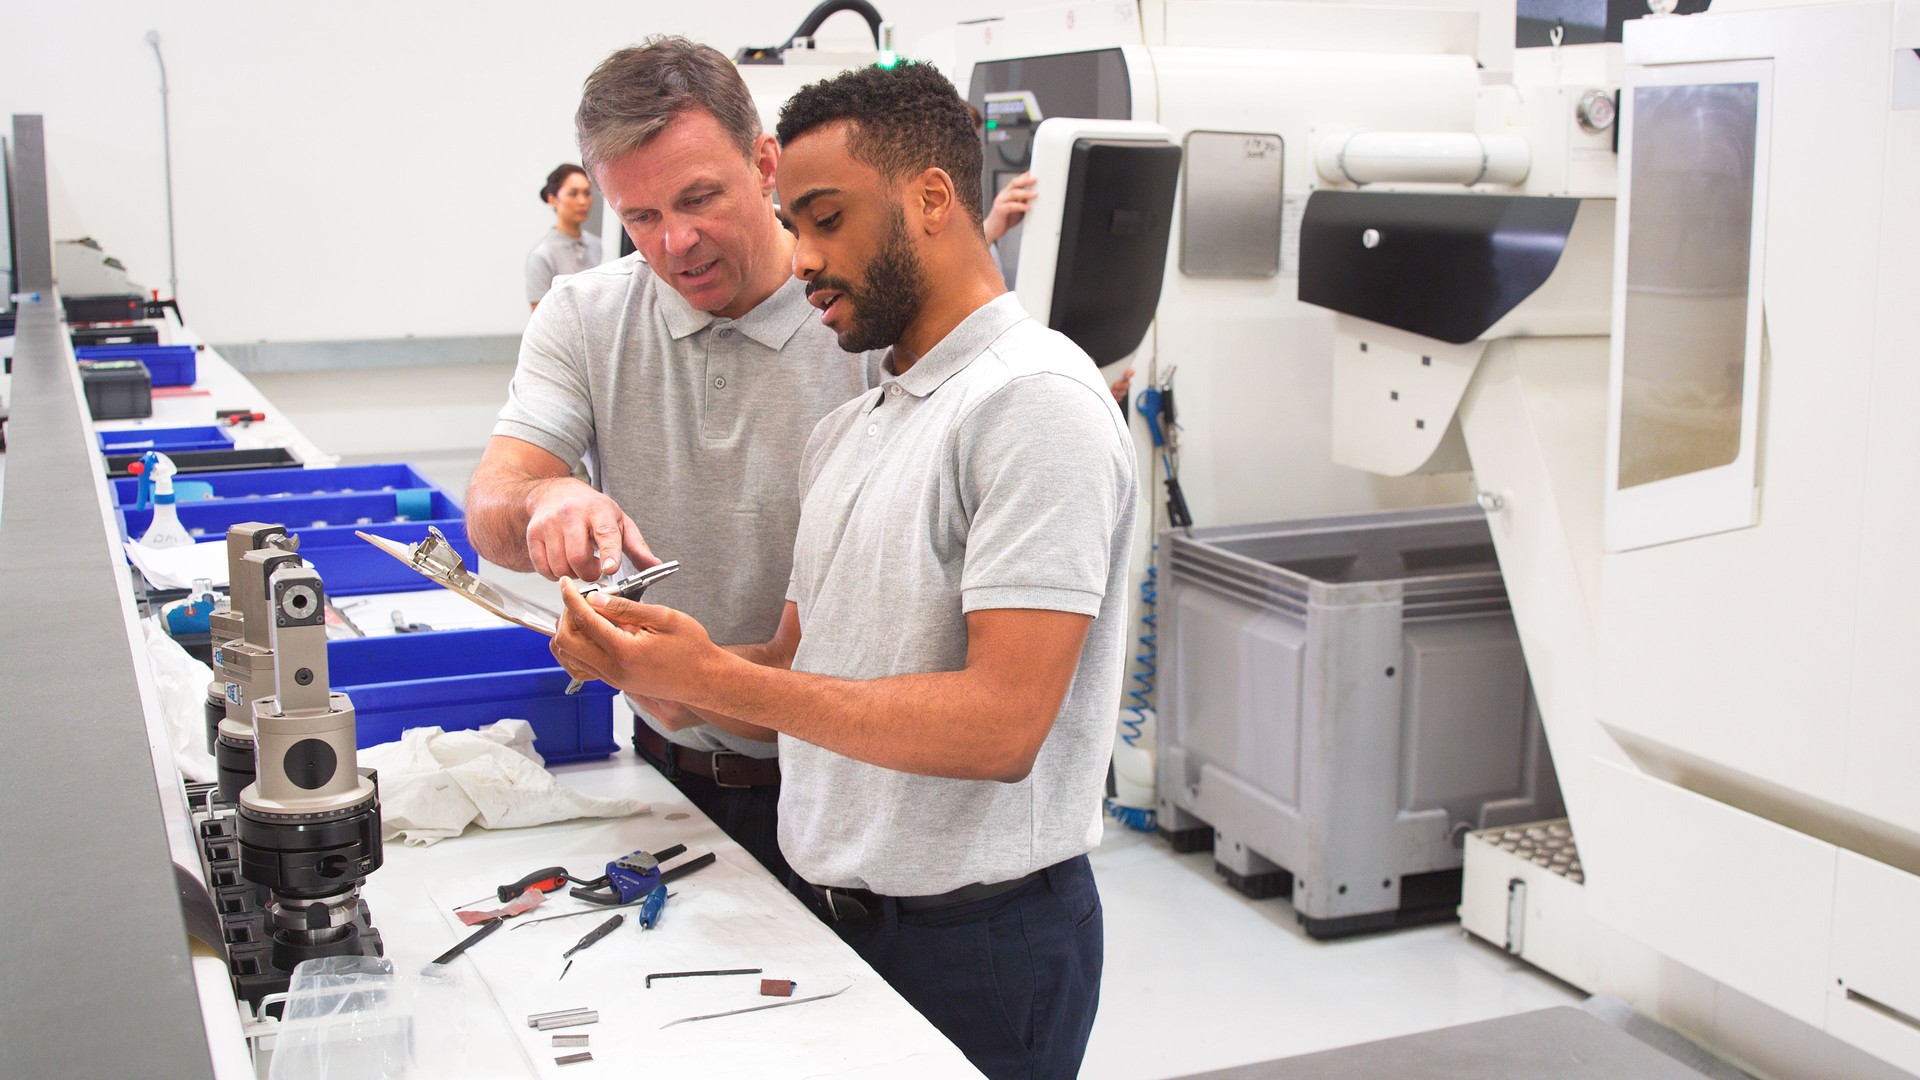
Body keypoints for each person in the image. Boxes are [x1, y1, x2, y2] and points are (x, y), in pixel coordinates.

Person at [550, 61, 1136, 1080]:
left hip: (979, 944)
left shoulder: (1032, 403)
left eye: (825, 219)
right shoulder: (856, 427)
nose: (803, 257)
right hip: (834, 919)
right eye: (792, 221)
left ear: (932, 200)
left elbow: (1003, 725)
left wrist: (718, 681)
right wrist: (665, 671)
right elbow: (793, 662)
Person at [469, 38, 883, 884]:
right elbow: (491, 505)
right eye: (641, 217)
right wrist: (548, 497)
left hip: (857, 796)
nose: (676, 243)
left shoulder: (862, 318)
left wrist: (708, 683)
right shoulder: (586, 317)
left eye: (701, 198)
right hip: (674, 778)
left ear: (765, 163)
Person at [525, 164, 604, 310]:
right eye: (573, 194)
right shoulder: (542, 255)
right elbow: (540, 320)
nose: (582, 201)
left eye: (587, 193)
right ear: (552, 199)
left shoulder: (598, 245)